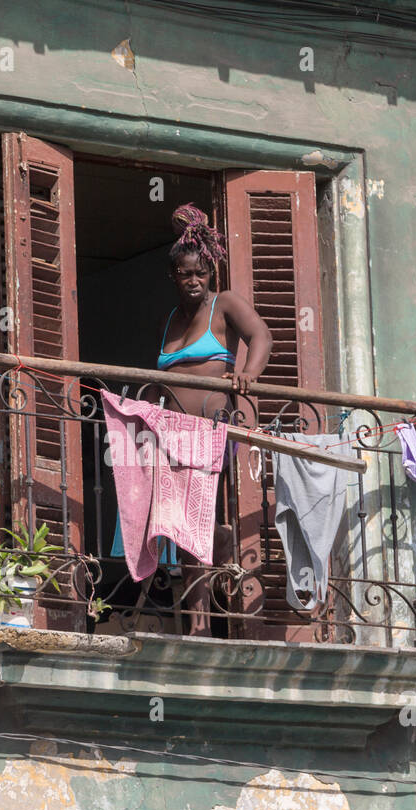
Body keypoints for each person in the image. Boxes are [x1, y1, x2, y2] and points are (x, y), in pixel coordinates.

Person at [154, 204, 272, 635]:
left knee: (198, 518)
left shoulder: (225, 305)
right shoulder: (170, 318)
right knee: (185, 525)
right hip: (172, 437)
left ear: (211, 275)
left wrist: (248, 374)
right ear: (173, 276)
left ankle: (210, 622)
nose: (193, 281)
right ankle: (196, 621)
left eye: (200, 274)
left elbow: (261, 335)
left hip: (211, 429)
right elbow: (162, 376)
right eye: (185, 274)